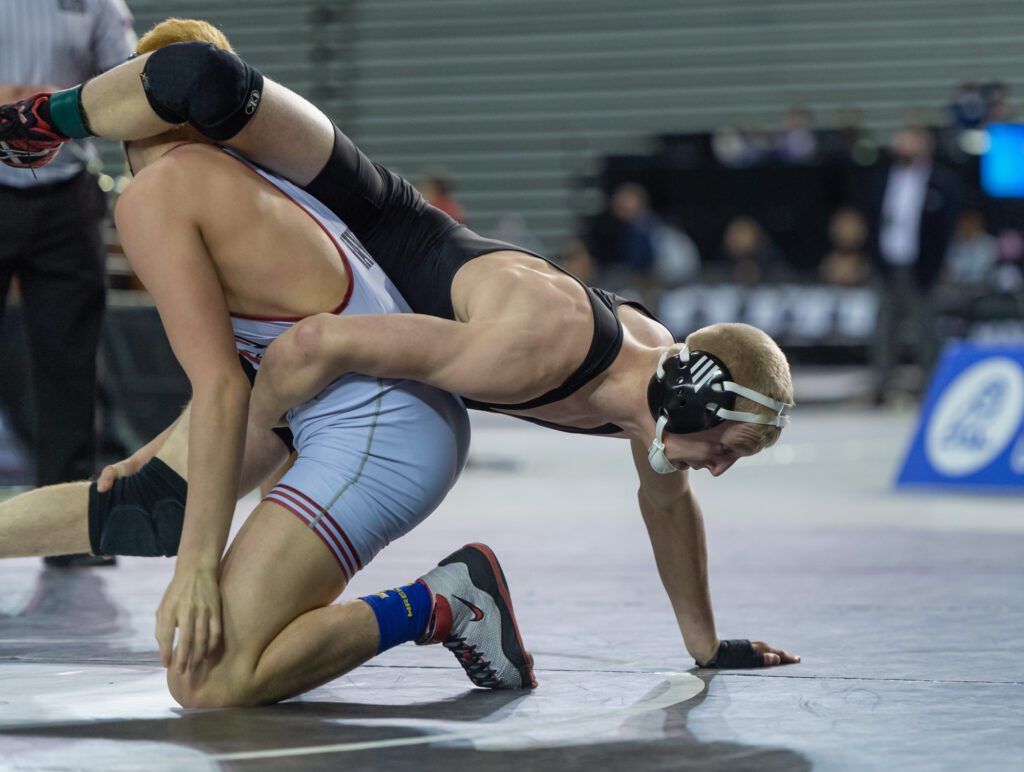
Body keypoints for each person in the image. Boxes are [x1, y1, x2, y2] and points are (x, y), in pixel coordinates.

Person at [0, 24, 800, 671]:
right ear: (693, 395)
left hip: (360, 349)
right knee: (198, 80)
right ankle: (35, 120)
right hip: (372, 229)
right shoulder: (536, 345)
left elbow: (666, 504)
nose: (720, 465)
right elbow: (312, 350)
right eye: (728, 446)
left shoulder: (653, 385)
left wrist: (705, 646)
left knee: (183, 534)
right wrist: (233, 435)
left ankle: (443, 602)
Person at [0, 20, 534, 707]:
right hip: (363, 402)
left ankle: (446, 601)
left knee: (207, 679)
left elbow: (222, 383)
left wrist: (196, 566)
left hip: (379, 429)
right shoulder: (253, 174)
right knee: (149, 503)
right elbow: (247, 363)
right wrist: (165, 451)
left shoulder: (157, 196)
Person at [0, 0, 136, 567]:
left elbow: (130, 90)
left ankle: (69, 528)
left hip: (66, 197)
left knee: (70, 361)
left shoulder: (98, 5)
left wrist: (53, 108)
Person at [867, 125, 960, 402]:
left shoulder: (940, 182)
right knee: (884, 328)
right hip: (888, 263)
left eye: (911, 141)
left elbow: (946, 228)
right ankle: (881, 387)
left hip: (921, 267)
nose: (905, 146)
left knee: (926, 328)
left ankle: (931, 388)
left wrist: (940, 263)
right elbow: (872, 219)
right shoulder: (884, 177)